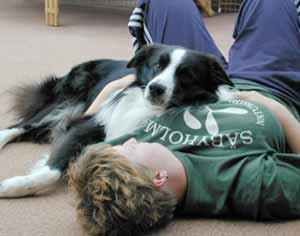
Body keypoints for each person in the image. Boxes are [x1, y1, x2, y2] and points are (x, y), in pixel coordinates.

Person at [69, 0, 300, 235]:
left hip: (193, 82)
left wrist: (120, 84)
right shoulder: (248, 184)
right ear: (158, 177)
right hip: (267, 84)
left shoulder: (147, 152)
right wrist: (275, 108)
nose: (127, 141)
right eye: (129, 149)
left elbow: (87, 126)